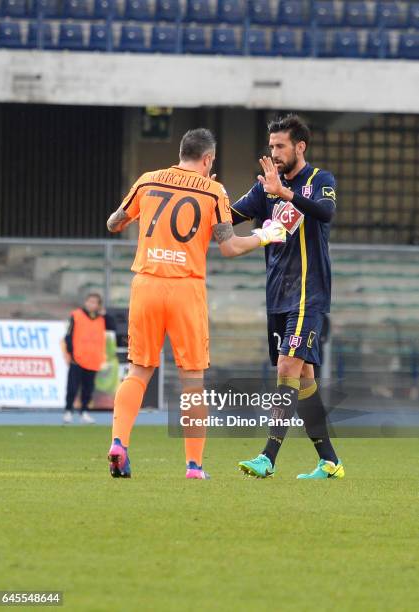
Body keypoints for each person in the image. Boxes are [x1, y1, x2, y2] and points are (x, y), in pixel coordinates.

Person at [105, 128, 285, 479]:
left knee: (139, 371)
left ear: (181, 152)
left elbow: (114, 223)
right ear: (207, 160)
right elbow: (229, 247)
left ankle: (118, 443)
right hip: (185, 289)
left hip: (146, 283)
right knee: (191, 381)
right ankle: (193, 466)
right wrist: (266, 235)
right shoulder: (213, 191)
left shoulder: (148, 180)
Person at [233, 114, 345, 480]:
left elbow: (326, 213)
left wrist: (285, 193)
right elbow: (232, 215)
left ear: (300, 147)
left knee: (286, 368)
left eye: (281, 146)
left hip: (308, 294)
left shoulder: (320, 181)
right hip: (278, 294)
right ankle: (330, 461)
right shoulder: (264, 187)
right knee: (305, 376)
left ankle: (268, 456)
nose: (275, 153)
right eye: (271, 147)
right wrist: (206, 199)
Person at [62, 293, 116, 424]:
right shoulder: (76, 315)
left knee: (88, 387)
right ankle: (68, 411)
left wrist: (105, 314)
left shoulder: (102, 318)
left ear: (98, 305)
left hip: (94, 358)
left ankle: (84, 411)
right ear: (85, 302)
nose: (91, 304)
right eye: (89, 301)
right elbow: (68, 335)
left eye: (94, 302)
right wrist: (71, 353)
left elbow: (113, 326)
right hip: (78, 358)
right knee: (73, 386)